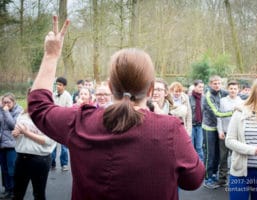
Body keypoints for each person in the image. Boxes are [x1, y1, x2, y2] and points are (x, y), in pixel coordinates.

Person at [27, 16, 205, 200]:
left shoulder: (80, 120)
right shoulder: (170, 129)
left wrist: (51, 55)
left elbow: (38, 106)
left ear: (111, 87)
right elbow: (193, 180)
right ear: (151, 90)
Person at [12, 89, 56, 200]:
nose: (34, 99)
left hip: (39, 160)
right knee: (17, 193)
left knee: (39, 194)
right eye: (31, 96)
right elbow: (17, 134)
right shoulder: (22, 114)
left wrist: (26, 133)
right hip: (21, 158)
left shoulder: (49, 117)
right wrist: (15, 133)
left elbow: (48, 141)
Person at [202, 75, 232, 189]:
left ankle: (214, 174)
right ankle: (207, 178)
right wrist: (233, 111)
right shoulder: (208, 96)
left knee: (218, 154)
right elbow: (218, 113)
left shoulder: (221, 92)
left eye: (219, 83)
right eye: (215, 83)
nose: (217, 85)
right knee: (210, 154)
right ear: (210, 84)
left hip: (219, 128)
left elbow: (234, 94)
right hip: (209, 128)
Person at [216, 80, 243, 187]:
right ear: (228, 89)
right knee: (223, 157)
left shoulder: (241, 102)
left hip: (236, 134)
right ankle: (222, 179)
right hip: (225, 132)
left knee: (236, 157)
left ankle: (235, 178)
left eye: (235, 89)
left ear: (238, 90)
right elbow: (219, 116)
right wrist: (220, 131)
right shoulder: (222, 101)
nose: (233, 90)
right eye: (231, 88)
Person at [0, 93, 23, 199]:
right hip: (1, 144)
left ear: (14, 102)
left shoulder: (18, 111)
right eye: (4, 102)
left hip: (12, 145)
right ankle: (7, 189)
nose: (6, 104)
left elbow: (13, 125)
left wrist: (5, 112)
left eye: (8, 102)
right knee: (4, 169)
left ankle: (15, 190)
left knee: (12, 169)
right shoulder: (1, 109)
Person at [51, 76, 73, 171]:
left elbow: (69, 110)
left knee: (64, 146)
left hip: (63, 123)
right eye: (57, 84)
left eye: (60, 85)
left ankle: (64, 164)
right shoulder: (53, 94)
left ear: (64, 86)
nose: (58, 86)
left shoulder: (67, 96)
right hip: (53, 123)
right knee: (52, 144)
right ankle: (52, 163)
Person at [189, 79, 205, 161]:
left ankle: (201, 167)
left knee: (199, 147)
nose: (201, 89)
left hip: (200, 126)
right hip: (191, 125)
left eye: (202, 87)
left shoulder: (204, 98)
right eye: (199, 87)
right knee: (190, 146)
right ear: (194, 87)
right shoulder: (189, 98)